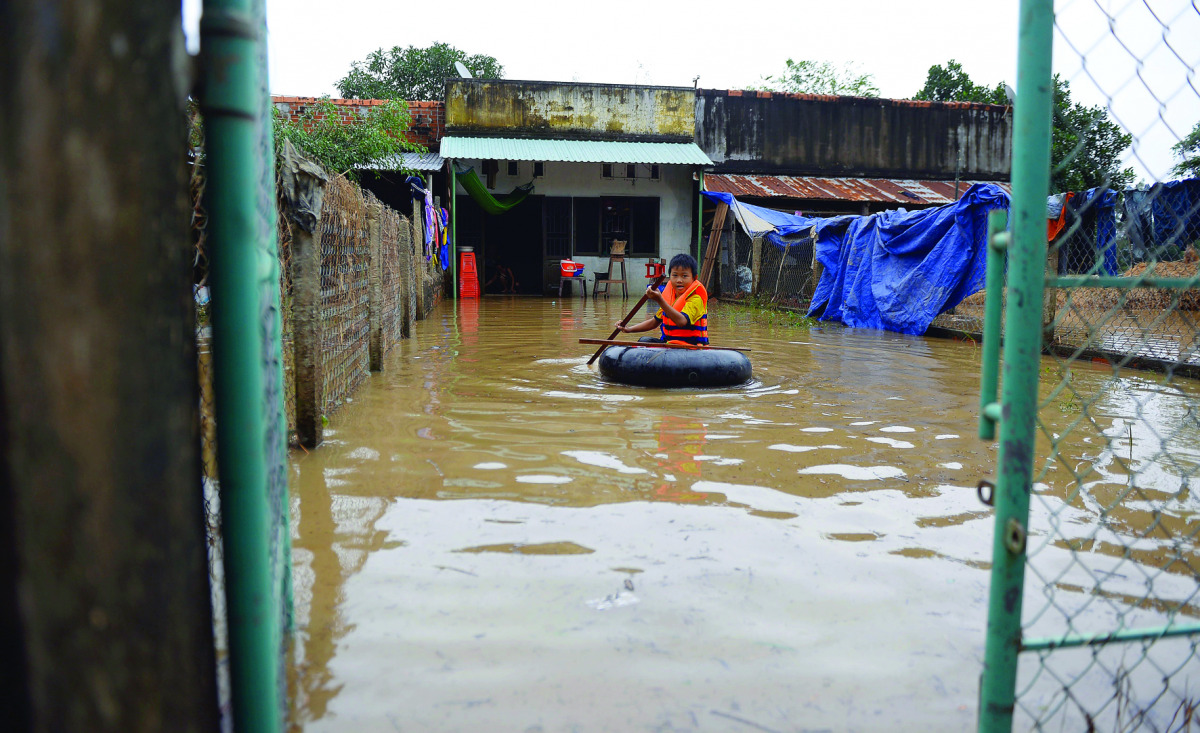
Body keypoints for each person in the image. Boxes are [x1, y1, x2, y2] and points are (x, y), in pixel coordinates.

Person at [615, 253, 708, 345]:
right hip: (669, 344)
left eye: (684, 276)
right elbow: (654, 322)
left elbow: (682, 321)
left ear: (694, 278)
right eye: (675, 275)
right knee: (644, 341)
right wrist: (628, 329)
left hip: (691, 348)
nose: (679, 280)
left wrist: (659, 300)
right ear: (670, 277)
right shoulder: (669, 296)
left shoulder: (696, 298)